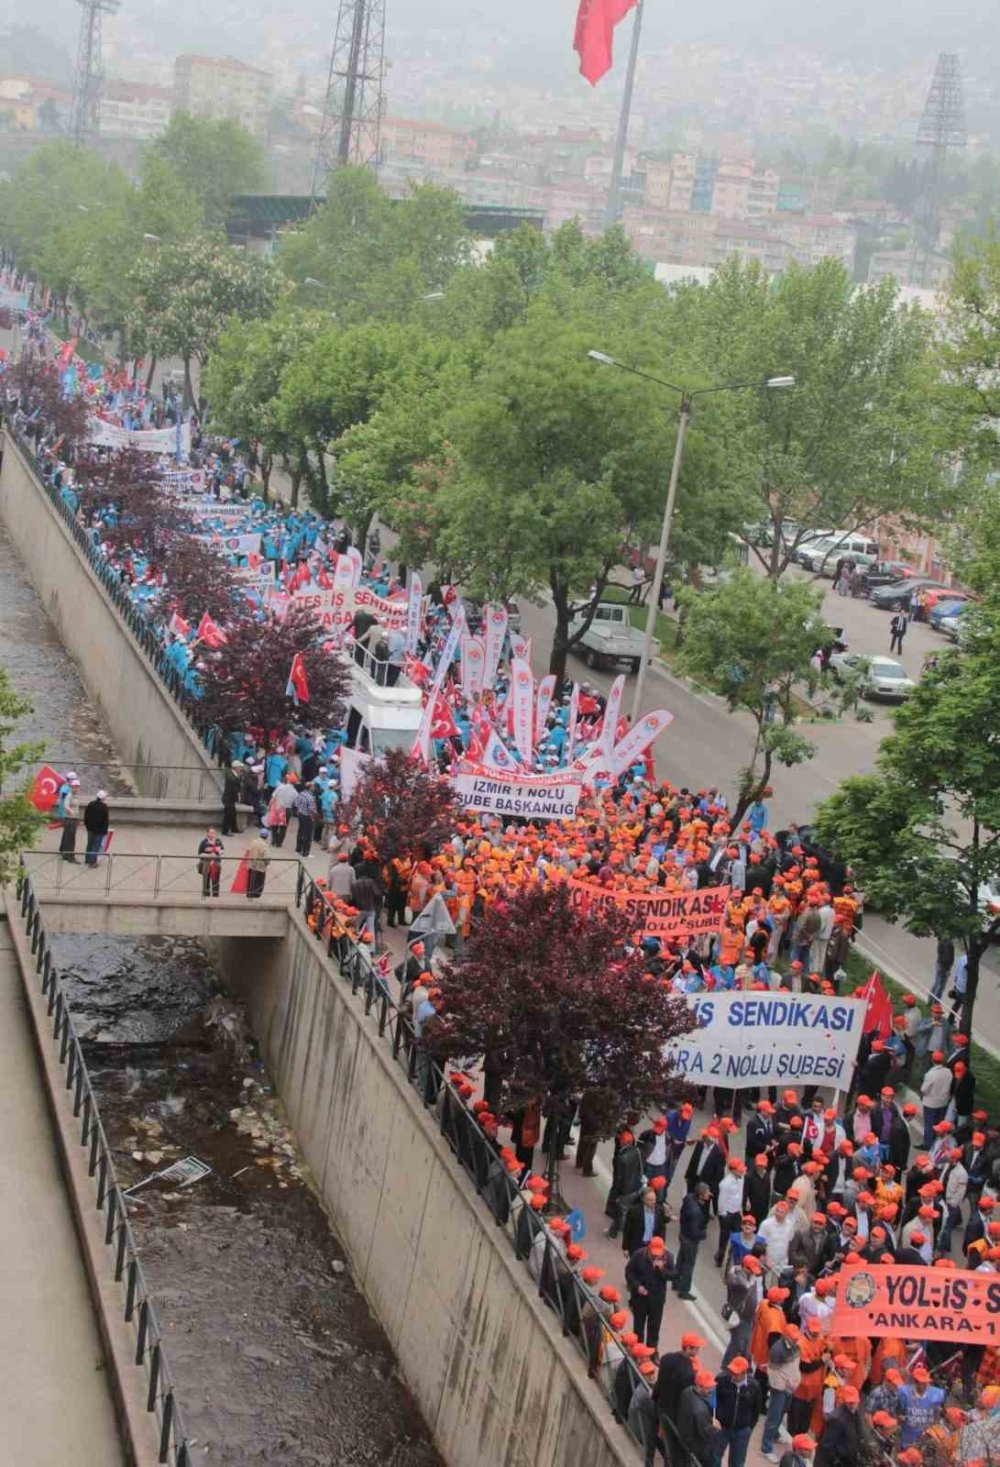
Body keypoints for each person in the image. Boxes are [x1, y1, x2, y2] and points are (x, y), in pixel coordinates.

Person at [712, 1355, 763, 1467]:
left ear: (744, 1372)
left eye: (736, 1373)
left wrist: (749, 1427)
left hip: (741, 1431)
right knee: (714, 1459)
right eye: (731, 1371)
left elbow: (756, 1409)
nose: (732, 1375)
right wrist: (714, 1418)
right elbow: (713, 1400)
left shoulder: (754, 1386)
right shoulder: (721, 1380)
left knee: (737, 1463)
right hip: (721, 1428)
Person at [625, 1235, 674, 1349]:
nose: (656, 1256)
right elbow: (629, 1272)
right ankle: (638, 1350)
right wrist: (637, 1286)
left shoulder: (668, 1257)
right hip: (640, 1297)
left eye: (658, 1254)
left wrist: (662, 1269)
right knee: (638, 1326)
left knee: (654, 1326)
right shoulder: (638, 1255)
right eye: (653, 1253)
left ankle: (652, 1351)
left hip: (657, 1297)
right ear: (648, 1248)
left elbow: (673, 1275)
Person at [675, 1181, 710, 1301]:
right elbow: (695, 1231)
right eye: (706, 1193)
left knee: (681, 1259)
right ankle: (684, 1290)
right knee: (688, 1265)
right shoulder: (697, 1212)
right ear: (701, 1195)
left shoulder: (688, 1199)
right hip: (690, 1240)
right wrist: (703, 1234)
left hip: (683, 1234)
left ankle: (675, 1282)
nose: (708, 1194)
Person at [677, 1370, 717, 1467]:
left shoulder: (687, 1391)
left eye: (711, 1386)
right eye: (708, 1388)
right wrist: (714, 1427)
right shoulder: (700, 1410)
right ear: (699, 1386)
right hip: (698, 1447)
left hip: (685, 1436)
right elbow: (705, 1433)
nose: (711, 1390)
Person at [815, 1385, 860, 1467]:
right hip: (834, 1462)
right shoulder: (837, 1419)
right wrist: (837, 1461)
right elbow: (827, 1445)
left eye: (855, 1402)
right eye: (850, 1403)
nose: (853, 1405)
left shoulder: (856, 1414)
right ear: (844, 1401)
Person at [622, 1185, 670, 1257]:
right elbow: (627, 1229)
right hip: (637, 1246)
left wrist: (661, 1245)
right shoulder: (634, 1211)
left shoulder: (659, 1210)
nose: (653, 1202)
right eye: (650, 1200)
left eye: (654, 1199)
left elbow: (661, 1228)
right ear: (643, 1200)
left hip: (651, 1246)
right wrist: (625, 1247)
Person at [83, 789, 110, 866]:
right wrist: (105, 831)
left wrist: (86, 825)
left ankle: (87, 859)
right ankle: (92, 862)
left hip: (90, 829)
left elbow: (86, 815)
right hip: (99, 831)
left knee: (89, 844)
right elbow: (105, 821)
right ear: (103, 798)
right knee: (96, 845)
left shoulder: (91, 804)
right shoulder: (104, 807)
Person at [58, 773, 81, 861]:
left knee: (67, 835)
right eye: (76, 786)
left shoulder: (72, 793)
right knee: (70, 837)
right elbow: (66, 804)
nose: (77, 788)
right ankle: (69, 856)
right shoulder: (69, 793)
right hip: (70, 818)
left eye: (78, 786)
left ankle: (64, 851)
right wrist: (70, 810)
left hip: (71, 817)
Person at [197, 827, 224, 897]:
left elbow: (222, 850)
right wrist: (209, 855)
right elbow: (200, 854)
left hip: (216, 864)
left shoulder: (218, 841)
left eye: (214, 833)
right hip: (206, 864)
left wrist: (219, 852)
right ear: (208, 834)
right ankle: (206, 895)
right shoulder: (204, 842)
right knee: (206, 881)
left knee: (216, 881)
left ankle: (215, 895)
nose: (213, 834)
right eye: (211, 833)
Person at [246, 829, 269, 898]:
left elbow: (249, 850)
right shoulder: (265, 845)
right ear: (267, 836)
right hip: (260, 868)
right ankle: (256, 896)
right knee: (259, 883)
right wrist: (267, 863)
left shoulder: (253, 842)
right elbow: (266, 857)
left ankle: (249, 895)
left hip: (251, 866)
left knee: (250, 882)